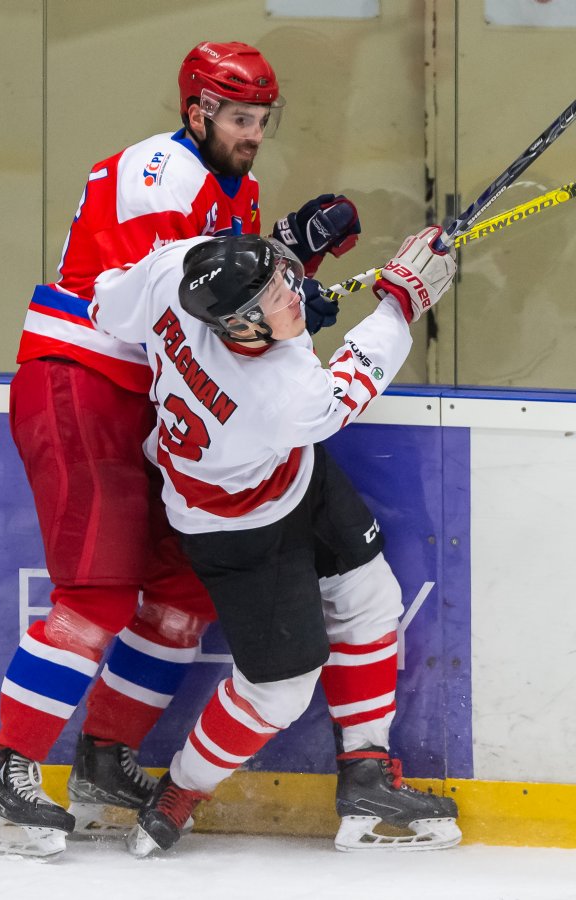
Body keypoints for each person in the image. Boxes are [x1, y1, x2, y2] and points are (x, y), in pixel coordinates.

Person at [0, 42, 362, 859]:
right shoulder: (158, 176)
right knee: (97, 590)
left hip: (148, 400)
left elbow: (226, 287)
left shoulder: (233, 185)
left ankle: (104, 761)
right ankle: (6, 780)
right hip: (81, 380)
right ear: (198, 110)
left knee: (181, 591)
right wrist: (288, 304)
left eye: (263, 120)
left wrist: (289, 252)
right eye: (240, 118)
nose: (254, 135)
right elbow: (180, 309)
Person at [87, 225, 461, 856]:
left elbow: (105, 304)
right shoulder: (284, 397)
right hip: (235, 529)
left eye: (282, 277)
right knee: (281, 691)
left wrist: (283, 297)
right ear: (240, 327)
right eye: (270, 297)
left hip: (289, 470)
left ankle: (367, 777)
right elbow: (348, 383)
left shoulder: (175, 268)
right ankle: (180, 791)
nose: (291, 291)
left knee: (371, 598)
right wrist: (399, 303)